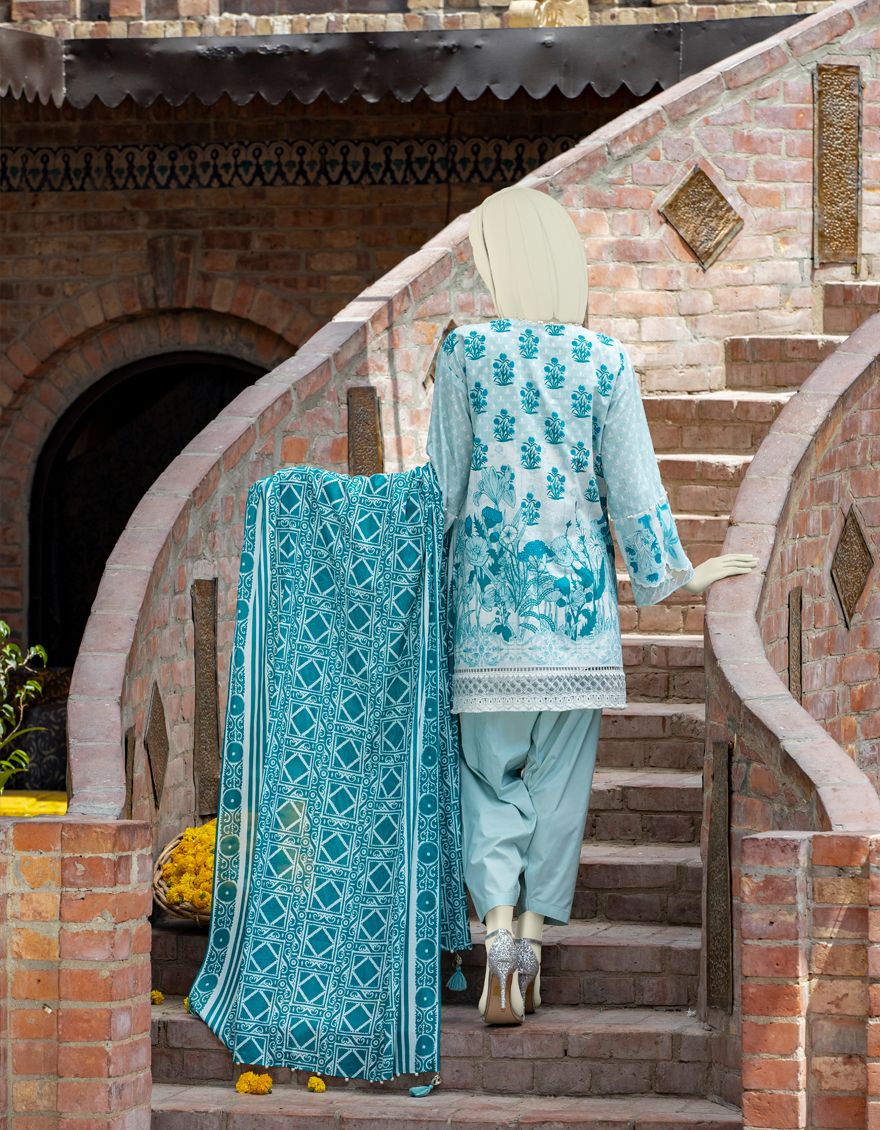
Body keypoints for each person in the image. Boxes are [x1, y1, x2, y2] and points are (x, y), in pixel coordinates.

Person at [426, 186, 758, 1025]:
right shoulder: (605, 361)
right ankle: (533, 948)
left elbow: (440, 492)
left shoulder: (465, 353)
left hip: (488, 624)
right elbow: (634, 489)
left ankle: (497, 939)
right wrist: (680, 575)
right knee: (560, 787)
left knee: (487, 782)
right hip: (577, 624)